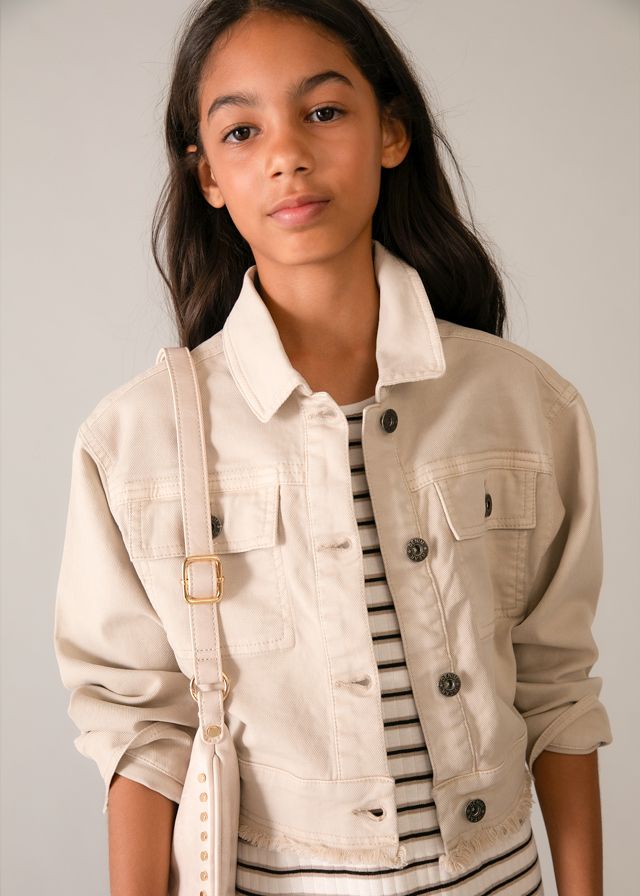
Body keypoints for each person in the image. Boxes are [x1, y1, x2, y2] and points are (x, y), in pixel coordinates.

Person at [53, 1, 614, 894]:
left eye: (322, 111)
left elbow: (557, 688)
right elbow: (140, 730)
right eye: (242, 131)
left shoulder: (524, 404)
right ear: (207, 177)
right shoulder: (133, 443)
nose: (287, 154)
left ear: (391, 132)